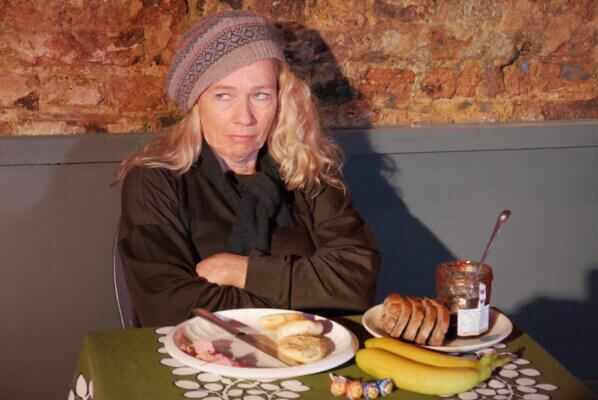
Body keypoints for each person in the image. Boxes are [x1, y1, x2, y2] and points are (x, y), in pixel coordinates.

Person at [116, 10, 380, 327]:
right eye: (223, 95)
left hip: (310, 351)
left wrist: (239, 271)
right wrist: (312, 296)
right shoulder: (154, 182)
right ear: (196, 102)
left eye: (260, 95)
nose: (245, 117)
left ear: (281, 99)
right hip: (204, 354)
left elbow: (357, 281)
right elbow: (170, 308)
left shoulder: (306, 169)